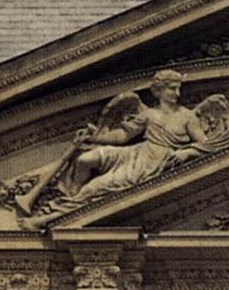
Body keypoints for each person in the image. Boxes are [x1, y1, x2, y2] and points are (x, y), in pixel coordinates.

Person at [68, 70, 211, 201]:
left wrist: (186, 153)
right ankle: (71, 193)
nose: (178, 93)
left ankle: (74, 204)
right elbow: (123, 135)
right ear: (159, 91)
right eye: (172, 88)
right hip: (136, 154)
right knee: (85, 159)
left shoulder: (187, 116)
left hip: (155, 163)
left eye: (178, 88)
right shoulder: (149, 114)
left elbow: (206, 144)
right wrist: (92, 138)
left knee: (93, 188)